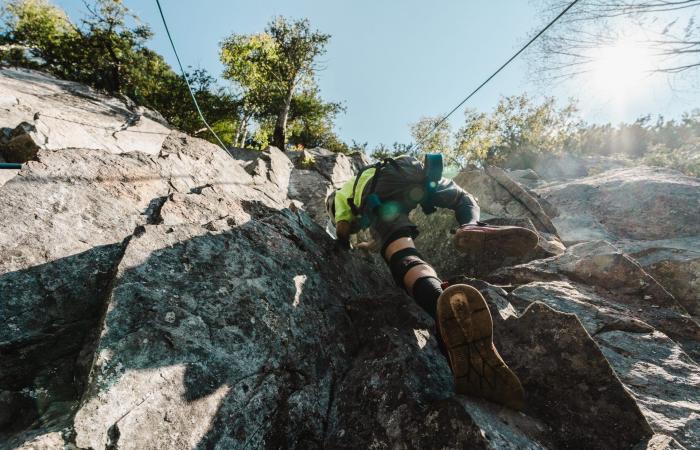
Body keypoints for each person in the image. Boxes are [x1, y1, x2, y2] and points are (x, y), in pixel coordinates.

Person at [325, 154, 539, 410]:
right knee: (463, 198)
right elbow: (382, 228)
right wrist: (372, 242)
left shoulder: (340, 195)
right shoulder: (378, 169)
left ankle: (443, 305)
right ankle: (471, 225)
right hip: (414, 172)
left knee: (403, 255)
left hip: (379, 193)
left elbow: (342, 229)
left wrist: (346, 238)